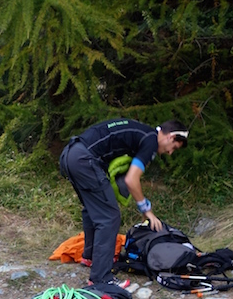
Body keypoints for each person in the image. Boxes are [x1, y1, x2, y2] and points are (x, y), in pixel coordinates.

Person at [59, 118, 188, 286]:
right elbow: (131, 180)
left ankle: (90, 257)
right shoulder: (150, 140)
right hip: (84, 160)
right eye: (174, 148)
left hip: (70, 154)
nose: (170, 152)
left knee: (92, 210)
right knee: (109, 217)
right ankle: (101, 278)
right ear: (170, 137)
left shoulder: (142, 132)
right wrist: (147, 211)